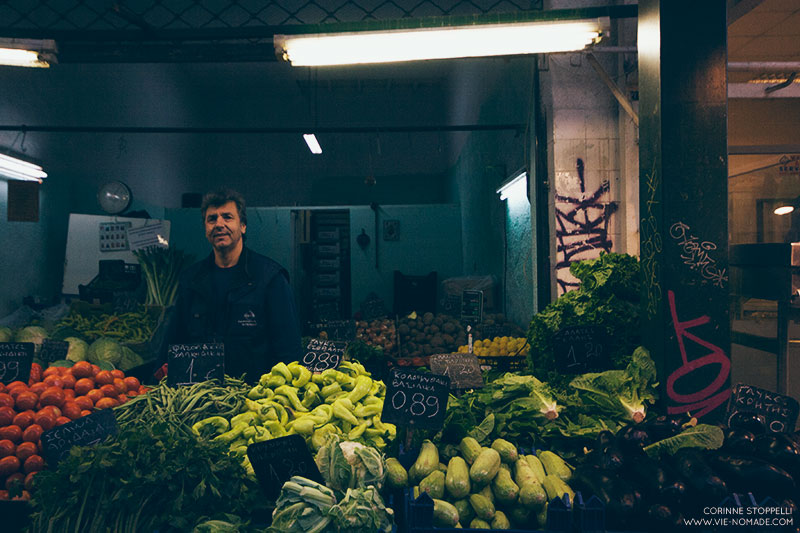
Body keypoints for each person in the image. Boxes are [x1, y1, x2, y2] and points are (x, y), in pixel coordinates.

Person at [161, 188, 302, 383]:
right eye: (212, 219)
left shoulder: (270, 278)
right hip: (200, 397)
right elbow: (172, 343)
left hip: (255, 401)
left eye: (227, 217)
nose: (219, 224)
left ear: (242, 226)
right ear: (205, 228)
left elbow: (289, 350)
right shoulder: (191, 280)